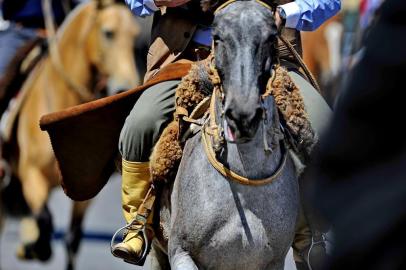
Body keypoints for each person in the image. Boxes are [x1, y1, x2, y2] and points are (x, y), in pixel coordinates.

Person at [112, 0, 341, 268]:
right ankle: (139, 224)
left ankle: (312, 236)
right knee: (139, 124)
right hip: (187, 57)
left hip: (267, 60)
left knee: (324, 127)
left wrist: (283, 15)